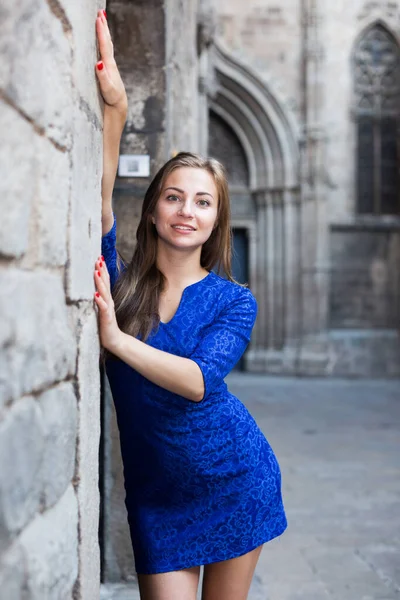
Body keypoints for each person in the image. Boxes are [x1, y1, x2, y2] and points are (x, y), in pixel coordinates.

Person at [94, 10, 287, 600]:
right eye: (173, 197)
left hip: (235, 480)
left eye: (202, 202)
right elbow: (101, 196)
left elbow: (199, 381)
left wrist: (117, 341)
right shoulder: (124, 287)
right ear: (153, 210)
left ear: (214, 221)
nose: (186, 210)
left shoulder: (235, 301)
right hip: (157, 498)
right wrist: (118, 110)